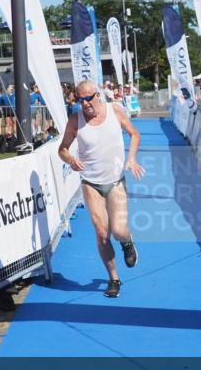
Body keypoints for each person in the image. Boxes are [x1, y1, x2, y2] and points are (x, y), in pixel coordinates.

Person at [58, 80, 145, 298]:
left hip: (115, 180)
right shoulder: (75, 120)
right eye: (80, 99)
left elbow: (134, 134)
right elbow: (62, 149)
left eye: (89, 98)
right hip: (90, 182)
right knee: (101, 232)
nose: (85, 103)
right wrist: (70, 160)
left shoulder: (114, 110)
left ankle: (127, 240)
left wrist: (132, 159)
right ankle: (114, 278)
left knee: (118, 230)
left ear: (98, 95)